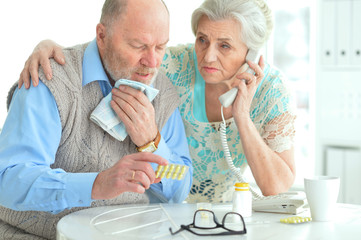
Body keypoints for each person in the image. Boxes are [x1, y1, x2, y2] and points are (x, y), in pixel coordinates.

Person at [18, 0, 296, 204]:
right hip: (161, 212)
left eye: (224, 45)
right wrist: (47, 47)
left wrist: (242, 116)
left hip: (225, 211)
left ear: (252, 51)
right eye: (202, 40)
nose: (207, 57)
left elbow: (277, 187)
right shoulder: (171, 65)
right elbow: (117, 49)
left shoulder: (271, 91)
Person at [0, 0, 193, 239]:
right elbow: (8, 179)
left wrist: (151, 141)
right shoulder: (51, 81)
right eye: (138, 46)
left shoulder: (161, 92)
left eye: (161, 47)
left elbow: (179, 190)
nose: (152, 62)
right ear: (102, 35)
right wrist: (96, 184)